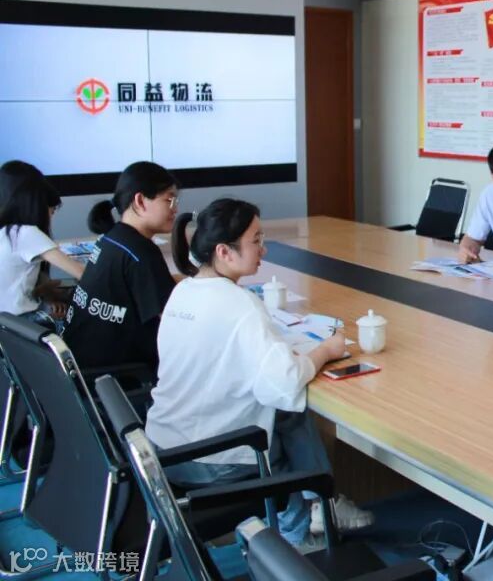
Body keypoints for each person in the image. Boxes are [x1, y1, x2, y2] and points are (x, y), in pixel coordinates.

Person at [145, 198, 369, 550]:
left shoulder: (183, 290)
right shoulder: (241, 304)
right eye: (255, 240)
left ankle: (319, 504)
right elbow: (283, 382)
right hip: (211, 459)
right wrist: (325, 351)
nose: (263, 249)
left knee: (285, 412)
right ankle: (301, 531)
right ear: (224, 251)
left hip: (163, 448)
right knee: (287, 405)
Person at [63, 161, 178, 373]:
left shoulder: (113, 237)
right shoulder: (141, 252)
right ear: (140, 201)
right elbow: (174, 318)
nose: (175, 209)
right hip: (118, 374)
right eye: (169, 200)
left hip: (77, 363)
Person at [0, 161, 85, 332]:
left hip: (6, 326)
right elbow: (82, 272)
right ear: (36, 202)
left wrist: (43, 291)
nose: (51, 218)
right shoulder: (25, 233)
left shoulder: (6, 232)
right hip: (19, 325)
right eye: (52, 211)